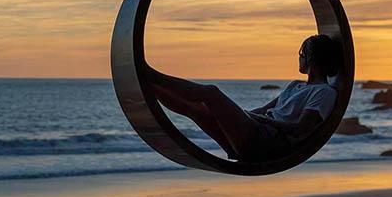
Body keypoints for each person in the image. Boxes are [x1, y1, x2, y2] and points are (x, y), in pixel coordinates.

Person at [145, 34, 342, 162]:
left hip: (265, 141)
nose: (298, 57)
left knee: (211, 93)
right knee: (197, 110)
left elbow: (300, 128)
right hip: (255, 132)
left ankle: (151, 75)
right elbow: (264, 110)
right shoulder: (296, 85)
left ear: (311, 58)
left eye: (301, 53)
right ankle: (148, 86)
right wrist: (240, 115)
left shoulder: (324, 92)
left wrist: (262, 120)